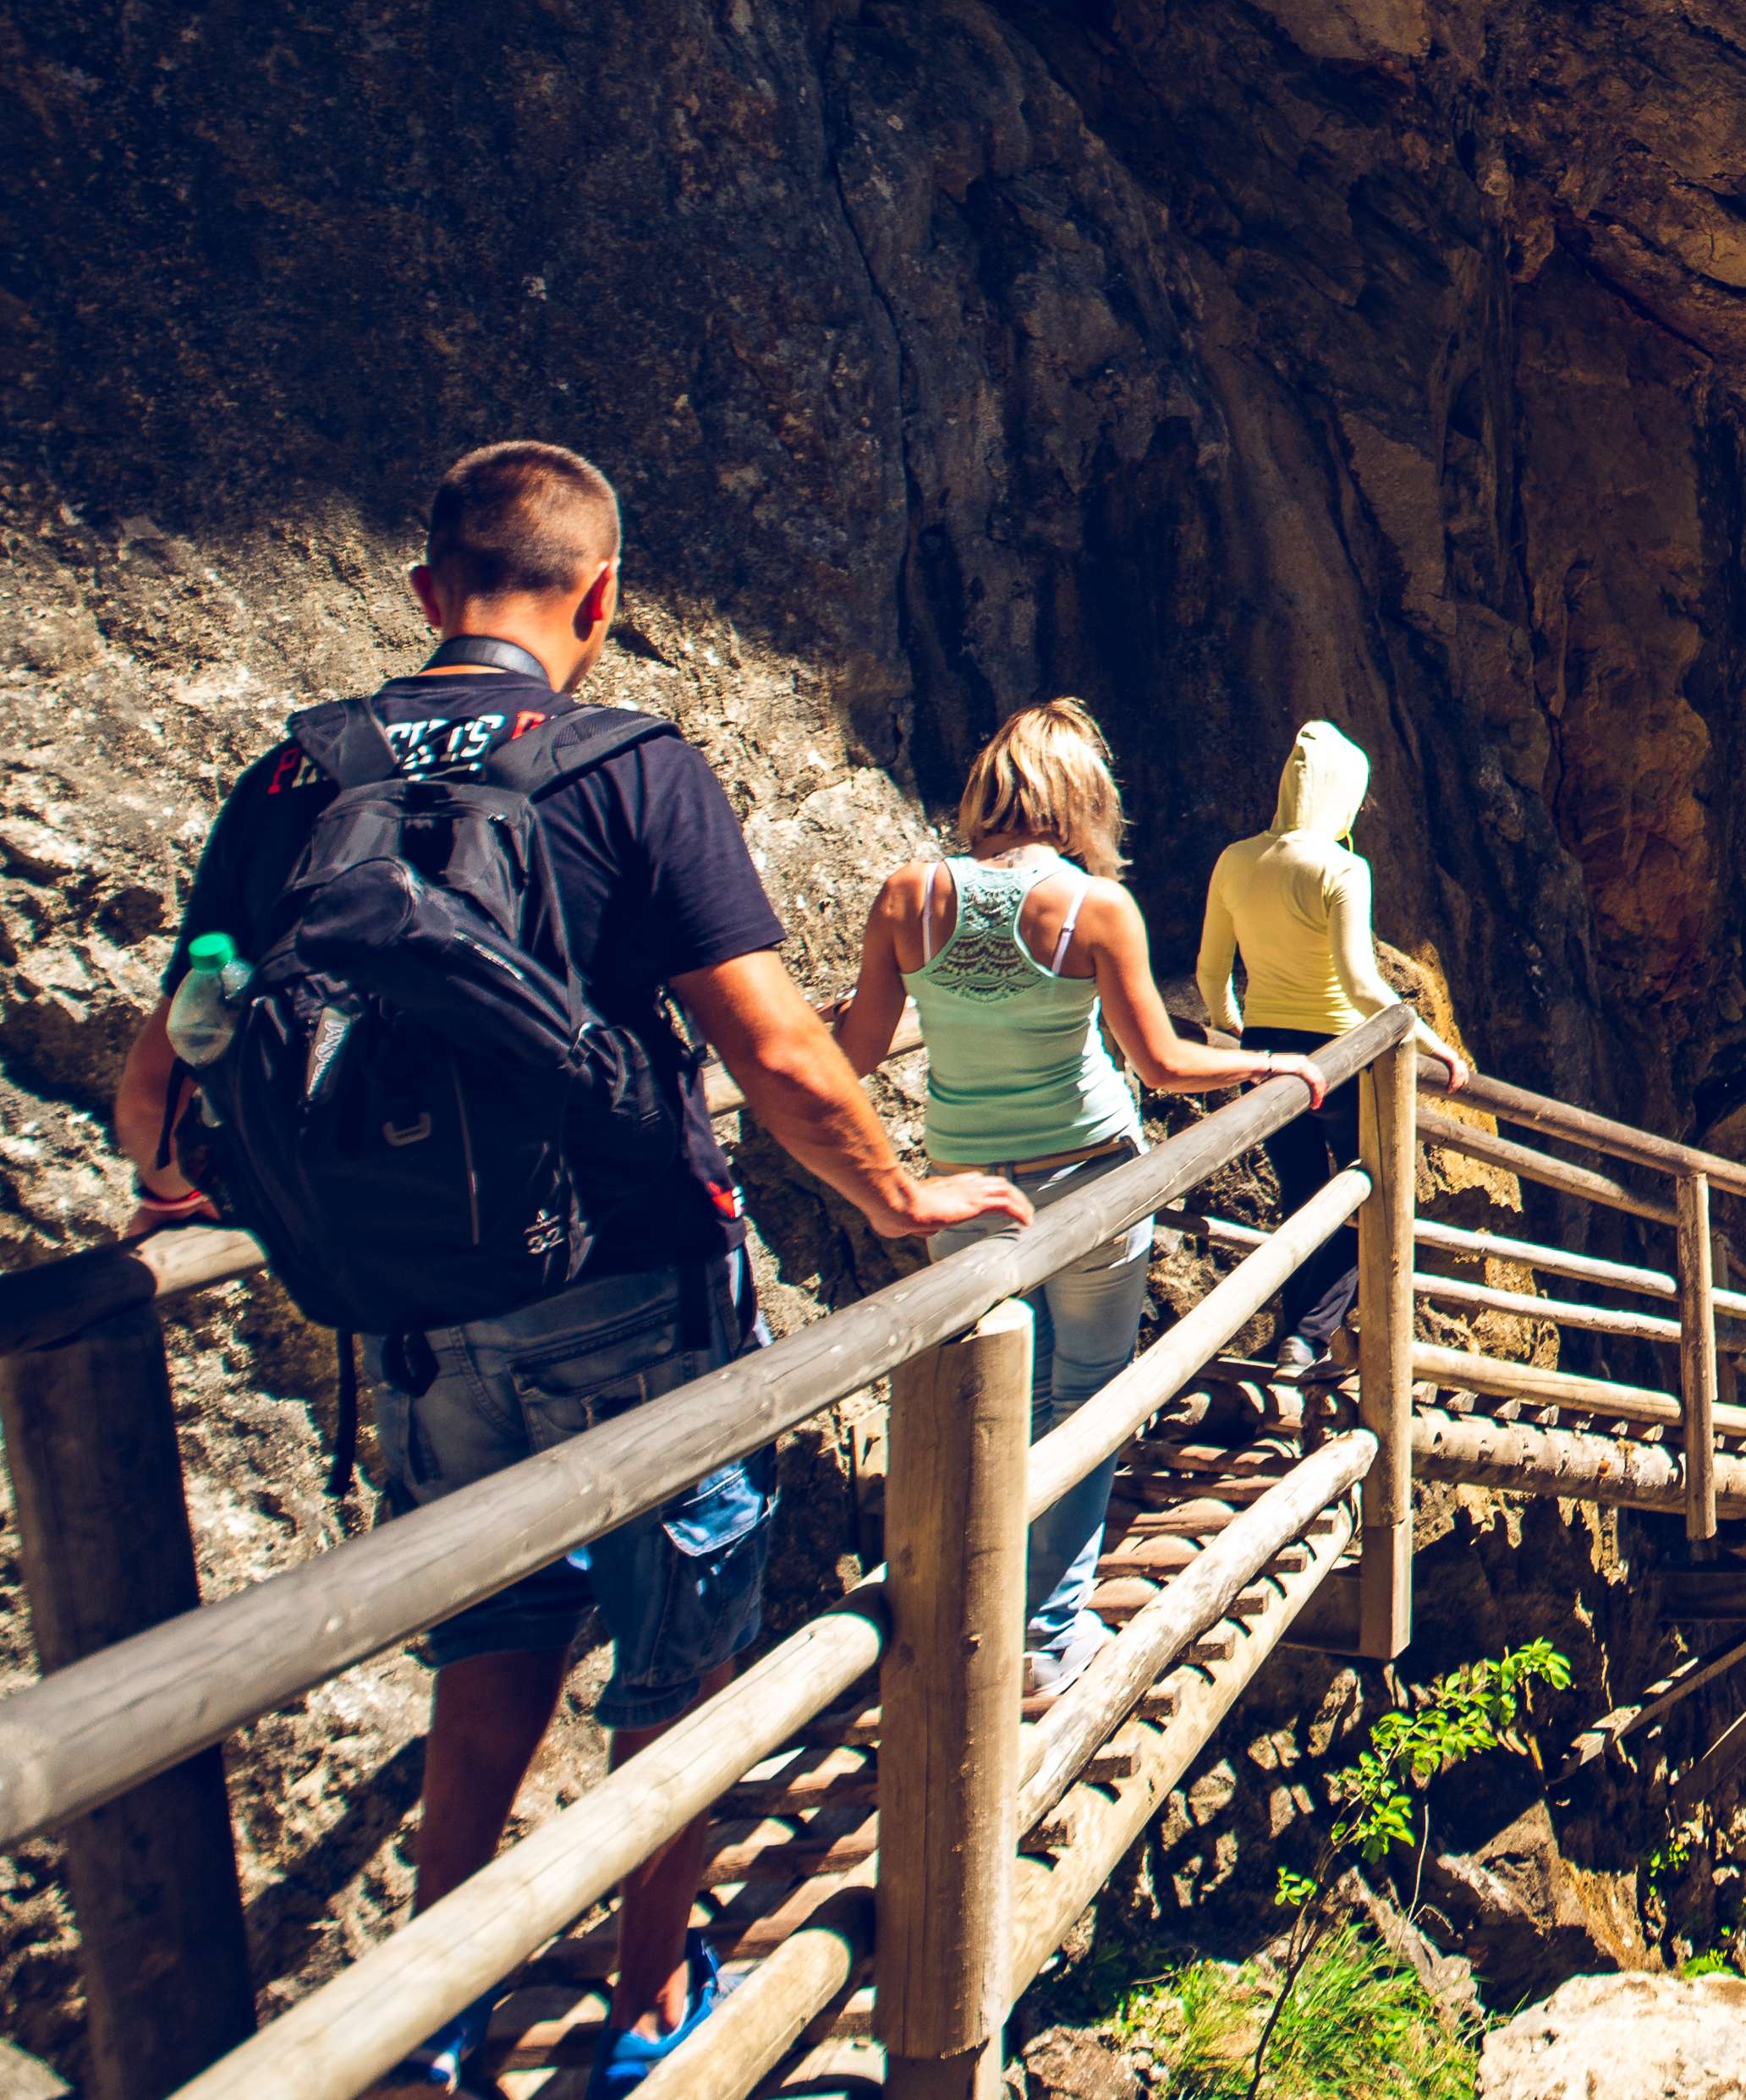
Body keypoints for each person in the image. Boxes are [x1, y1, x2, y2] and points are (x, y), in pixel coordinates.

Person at [115, 443, 1033, 2099]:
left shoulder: (294, 777)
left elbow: (165, 1074)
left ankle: (435, 2010)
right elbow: (774, 1049)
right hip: (641, 1283)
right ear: (601, 596)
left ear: (422, 589)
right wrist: (903, 1196)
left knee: (489, 1639)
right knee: (678, 1654)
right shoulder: (628, 764)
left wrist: (181, 1182)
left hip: (417, 1308)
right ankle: (655, 1996)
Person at [826, 700, 1317, 1693]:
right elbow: (1165, 1063)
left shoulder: (906, 899)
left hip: (963, 1195)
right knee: (1080, 1406)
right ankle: (1046, 1638)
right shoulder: (1095, 909)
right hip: (1090, 1187)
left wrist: (818, 1019)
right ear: (1083, 798)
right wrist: (1275, 1065)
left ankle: (966, 1622)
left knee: (986, 1409)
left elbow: (855, 1056)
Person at [1194, 720, 1461, 1359]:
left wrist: (1234, 1027)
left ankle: (1296, 1337)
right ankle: (1308, 1337)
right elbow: (1360, 982)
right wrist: (1433, 1045)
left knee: (1301, 1196)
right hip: (1340, 1054)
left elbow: (1210, 971)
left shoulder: (1235, 860)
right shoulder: (1342, 868)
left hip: (1270, 1053)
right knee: (1374, 1195)